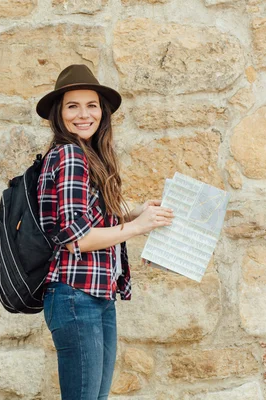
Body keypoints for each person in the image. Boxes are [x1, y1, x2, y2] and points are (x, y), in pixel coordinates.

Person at [36, 64, 174, 400]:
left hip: (96, 294)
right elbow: (76, 239)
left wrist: (134, 212)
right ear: (59, 113)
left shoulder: (88, 155)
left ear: (102, 111)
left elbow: (88, 221)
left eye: (91, 105)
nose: (83, 114)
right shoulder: (70, 155)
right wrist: (136, 227)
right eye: (72, 106)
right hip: (74, 295)